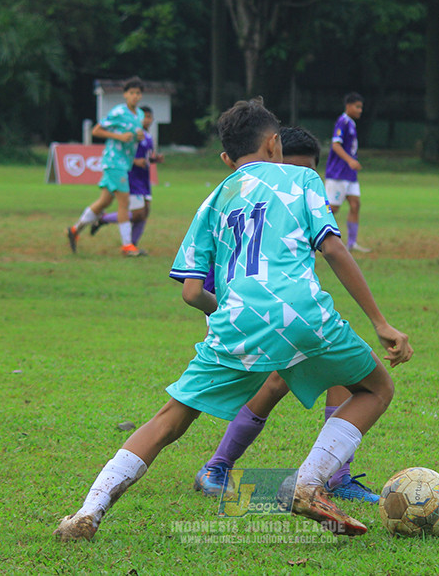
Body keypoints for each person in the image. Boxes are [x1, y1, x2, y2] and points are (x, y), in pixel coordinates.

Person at [53, 98, 413, 541]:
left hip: (235, 322)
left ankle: (88, 512)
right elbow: (333, 248)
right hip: (301, 312)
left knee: (169, 419)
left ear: (227, 157)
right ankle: (308, 483)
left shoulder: (213, 198)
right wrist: (380, 322)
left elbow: (190, 292)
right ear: (274, 143)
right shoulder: (303, 177)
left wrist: (228, 312)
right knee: (377, 387)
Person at [193, 126, 380, 504]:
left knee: (342, 367)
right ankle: (218, 465)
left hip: (293, 310)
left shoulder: (305, 195)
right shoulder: (242, 201)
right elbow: (205, 278)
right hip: (244, 314)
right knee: (277, 380)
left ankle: (334, 474)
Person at [67, 76, 147, 257]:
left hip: (124, 163)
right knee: (124, 203)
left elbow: (133, 135)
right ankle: (127, 246)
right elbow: (96, 130)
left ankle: (74, 229)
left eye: (138, 93)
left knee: (104, 202)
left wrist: (138, 136)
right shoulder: (118, 112)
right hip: (114, 161)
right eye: (131, 93)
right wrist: (119, 137)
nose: (135, 96)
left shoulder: (140, 115)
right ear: (125, 95)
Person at [88, 106, 164, 251]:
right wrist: (136, 162)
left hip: (144, 179)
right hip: (132, 178)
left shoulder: (147, 137)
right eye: (144, 117)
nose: (147, 120)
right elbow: (127, 155)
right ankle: (104, 219)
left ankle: (133, 244)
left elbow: (146, 157)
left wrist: (154, 159)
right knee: (137, 214)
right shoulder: (132, 135)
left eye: (149, 117)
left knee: (145, 212)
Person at [325, 92, 370, 253]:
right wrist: (350, 160)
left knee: (355, 204)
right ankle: (311, 237)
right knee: (332, 209)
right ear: (348, 106)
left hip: (350, 175)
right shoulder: (342, 122)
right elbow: (336, 145)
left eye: (361, 107)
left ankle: (351, 243)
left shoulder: (351, 123)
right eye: (357, 107)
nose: (360, 110)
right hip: (338, 173)